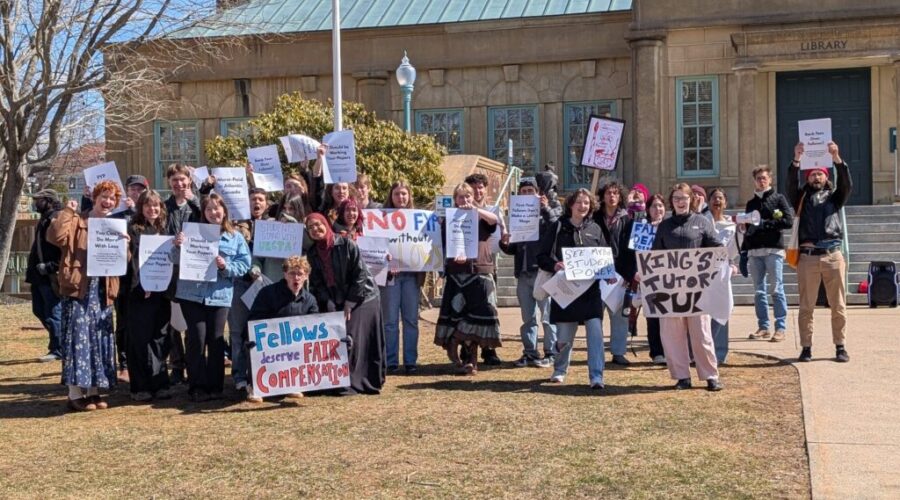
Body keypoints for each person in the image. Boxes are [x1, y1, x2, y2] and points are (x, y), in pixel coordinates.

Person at [47, 180, 125, 411]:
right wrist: (67, 211)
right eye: (105, 196)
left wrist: (125, 247)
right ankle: (74, 393)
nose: (108, 201)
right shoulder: (76, 220)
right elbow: (55, 237)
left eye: (112, 198)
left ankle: (93, 391)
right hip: (79, 289)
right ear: (95, 197)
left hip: (103, 290)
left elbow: (124, 262)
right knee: (77, 340)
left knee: (98, 340)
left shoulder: (115, 225)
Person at [173, 193, 251, 401]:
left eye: (217, 208)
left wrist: (226, 267)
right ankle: (197, 386)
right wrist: (178, 246)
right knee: (196, 339)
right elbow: (173, 260)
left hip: (219, 294)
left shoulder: (235, 237)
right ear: (203, 212)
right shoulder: (191, 233)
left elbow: (244, 265)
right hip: (191, 294)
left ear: (224, 210)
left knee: (215, 340)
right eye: (208, 209)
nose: (213, 212)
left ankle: (215, 386)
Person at [650, 183, 724, 391]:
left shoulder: (702, 222)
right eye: (676, 199)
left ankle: (710, 375)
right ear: (671, 201)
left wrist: (726, 264)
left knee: (701, 333)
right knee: (672, 335)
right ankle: (682, 376)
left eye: (683, 198)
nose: (680, 202)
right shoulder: (665, 226)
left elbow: (716, 247)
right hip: (670, 289)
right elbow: (655, 255)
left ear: (691, 199)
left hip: (697, 289)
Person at [537, 188, 612, 389]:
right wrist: (555, 265)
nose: (582, 206)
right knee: (563, 339)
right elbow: (542, 256)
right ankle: (560, 369)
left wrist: (609, 273)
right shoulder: (558, 226)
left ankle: (596, 376)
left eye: (586, 203)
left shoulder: (595, 228)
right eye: (579, 202)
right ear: (571, 204)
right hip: (566, 293)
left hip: (591, 294)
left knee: (596, 334)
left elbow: (605, 256)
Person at [305, 213, 385, 394]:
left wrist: (350, 302)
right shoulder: (312, 253)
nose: (315, 230)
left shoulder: (346, 244)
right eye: (311, 228)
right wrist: (329, 302)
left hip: (364, 296)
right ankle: (340, 379)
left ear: (326, 224)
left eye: (318, 225)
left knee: (352, 336)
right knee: (339, 336)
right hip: (338, 298)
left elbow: (361, 274)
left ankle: (358, 382)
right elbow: (317, 283)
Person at [787, 141, 852, 363]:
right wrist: (796, 159)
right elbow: (789, 185)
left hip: (832, 255)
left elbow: (846, 184)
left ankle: (840, 346)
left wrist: (837, 159)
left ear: (826, 177)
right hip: (808, 257)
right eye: (813, 174)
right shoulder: (800, 199)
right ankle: (806, 347)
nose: (816, 177)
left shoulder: (835, 198)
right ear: (807, 177)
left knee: (838, 304)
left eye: (820, 174)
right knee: (806, 306)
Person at [434, 183, 501, 375]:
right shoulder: (450, 219)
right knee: (459, 313)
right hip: (457, 271)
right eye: (461, 197)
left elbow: (494, 221)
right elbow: (445, 244)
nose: (465, 201)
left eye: (468, 197)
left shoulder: (481, 215)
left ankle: (467, 351)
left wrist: (476, 210)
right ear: (455, 199)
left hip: (480, 270)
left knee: (482, 313)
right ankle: (468, 357)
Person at [499, 177, 561, 368]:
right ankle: (530, 352)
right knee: (528, 317)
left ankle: (551, 352)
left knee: (547, 315)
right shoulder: (518, 216)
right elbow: (513, 249)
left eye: (530, 191)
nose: (526, 194)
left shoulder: (546, 214)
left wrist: (545, 208)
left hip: (541, 272)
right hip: (523, 273)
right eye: (523, 191)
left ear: (538, 194)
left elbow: (557, 227)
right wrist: (505, 243)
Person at [247, 256, 319, 402]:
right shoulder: (268, 293)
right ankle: (255, 385)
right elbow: (254, 320)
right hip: (269, 343)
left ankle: (291, 383)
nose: (296, 278)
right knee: (253, 343)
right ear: (285, 274)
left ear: (306, 276)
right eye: (292, 273)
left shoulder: (310, 300)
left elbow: (315, 327)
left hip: (294, 345)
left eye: (300, 274)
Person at [164, 164, 211, 384]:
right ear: (169, 182)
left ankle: (196, 364)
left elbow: (212, 223)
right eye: (174, 180)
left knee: (194, 322)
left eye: (182, 179)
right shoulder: (164, 208)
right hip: (172, 271)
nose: (179, 184)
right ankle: (177, 365)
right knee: (174, 322)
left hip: (196, 269)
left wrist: (195, 199)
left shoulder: (199, 206)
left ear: (189, 180)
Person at [125, 190, 173, 401]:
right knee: (139, 340)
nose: (152, 209)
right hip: (140, 293)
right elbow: (133, 261)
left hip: (162, 293)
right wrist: (142, 284)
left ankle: (160, 383)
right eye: (147, 205)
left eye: (156, 205)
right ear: (141, 207)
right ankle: (140, 386)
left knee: (160, 338)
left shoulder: (166, 230)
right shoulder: (133, 230)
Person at [742, 166, 794, 342]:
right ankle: (763, 326)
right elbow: (748, 228)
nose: (761, 181)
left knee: (777, 289)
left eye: (764, 178)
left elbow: (788, 221)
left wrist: (766, 224)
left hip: (773, 249)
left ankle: (780, 327)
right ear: (754, 181)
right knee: (759, 291)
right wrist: (744, 250)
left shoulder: (779, 199)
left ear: (770, 180)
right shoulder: (751, 203)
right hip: (755, 251)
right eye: (758, 178)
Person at [227, 187, 269, 398]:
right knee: (237, 331)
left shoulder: (274, 225)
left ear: (267, 204)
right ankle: (239, 377)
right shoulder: (234, 224)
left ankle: (265, 374)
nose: (257, 203)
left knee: (263, 331)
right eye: (253, 199)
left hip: (264, 286)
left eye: (261, 200)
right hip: (239, 283)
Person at [381, 180, 423, 375]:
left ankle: (410, 360)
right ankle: (391, 361)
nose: (401, 197)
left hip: (411, 277)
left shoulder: (420, 218)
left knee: (411, 320)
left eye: (404, 194)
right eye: (397, 194)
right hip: (391, 277)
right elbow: (376, 245)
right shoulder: (381, 218)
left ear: (409, 196)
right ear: (391, 196)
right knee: (389, 321)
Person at [464, 172, 505, 366]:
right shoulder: (459, 211)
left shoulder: (493, 210)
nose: (477, 191)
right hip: (463, 268)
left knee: (489, 309)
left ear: (485, 189)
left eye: (480, 187)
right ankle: (467, 350)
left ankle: (489, 350)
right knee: (465, 310)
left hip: (487, 265)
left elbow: (501, 236)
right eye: (473, 188)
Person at [592, 181, 630, 366]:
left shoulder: (627, 219)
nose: (612, 196)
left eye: (615, 193)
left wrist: (628, 275)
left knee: (620, 317)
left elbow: (632, 250)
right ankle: (597, 350)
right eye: (608, 193)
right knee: (595, 317)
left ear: (620, 196)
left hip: (619, 274)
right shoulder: (593, 217)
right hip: (597, 273)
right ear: (603, 195)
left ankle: (618, 352)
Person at [26, 189, 63, 363]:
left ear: (48, 201)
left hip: (50, 276)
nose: (35, 203)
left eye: (39, 200)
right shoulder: (44, 219)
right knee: (39, 310)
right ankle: (59, 343)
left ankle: (58, 348)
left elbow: (64, 251)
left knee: (53, 313)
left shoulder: (56, 220)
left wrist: (50, 267)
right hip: (38, 276)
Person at [706, 188, 739, 365]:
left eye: (720, 198)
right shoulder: (703, 223)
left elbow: (732, 252)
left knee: (723, 309)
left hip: (722, 273)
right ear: (709, 202)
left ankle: (719, 353)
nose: (717, 201)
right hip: (704, 273)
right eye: (714, 198)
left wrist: (740, 232)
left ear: (725, 203)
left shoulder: (732, 226)